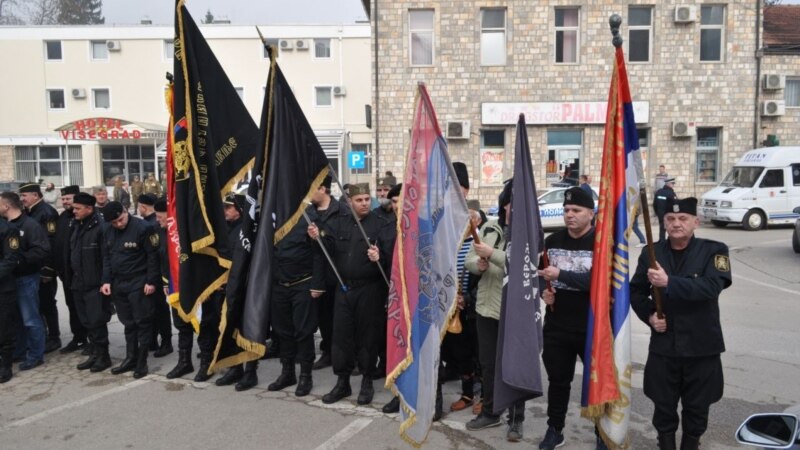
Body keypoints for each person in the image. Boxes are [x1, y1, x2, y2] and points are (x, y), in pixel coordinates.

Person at [630, 197, 732, 450]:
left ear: (696, 222)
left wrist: (670, 283)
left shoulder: (714, 250)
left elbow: (712, 287)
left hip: (701, 346)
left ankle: (691, 444)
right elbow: (635, 291)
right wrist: (651, 317)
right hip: (665, 346)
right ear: (664, 222)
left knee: (697, 407)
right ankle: (665, 444)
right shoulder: (651, 253)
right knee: (663, 405)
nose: (676, 223)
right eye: (671, 219)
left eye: (683, 218)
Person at [307, 183, 396, 406]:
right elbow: (328, 249)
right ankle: (342, 382)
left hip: (370, 289)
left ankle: (367, 381)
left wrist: (380, 259)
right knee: (341, 336)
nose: (365, 203)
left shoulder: (381, 225)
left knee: (368, 336)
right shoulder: (340, 222)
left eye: (367, 199)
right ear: (350, 202)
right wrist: (317, 237)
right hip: (344, 288)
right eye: (359, 200)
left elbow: (390, 261)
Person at [536, 187, 607, 450]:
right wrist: (546, 292)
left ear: (591, 213)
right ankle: (555, 430)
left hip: (592, 327)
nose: (569, 215)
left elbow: (601, 282)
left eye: (576, 210)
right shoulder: (553, 240)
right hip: (558, 325)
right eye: (566, 210)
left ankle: (603, 433)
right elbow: (543, 273)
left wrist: (561, 276)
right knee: (558, 381)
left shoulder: (602, 242)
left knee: (596, 384)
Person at [464, 180, 525, 442]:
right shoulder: (490, 227)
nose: (513, 208)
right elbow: (469, 260)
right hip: (486, 309)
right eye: (510, 203)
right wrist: (480, 263)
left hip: (515, 311)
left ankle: (516, 419)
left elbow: (526, 265)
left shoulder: (528, 230)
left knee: (515, 367)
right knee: (489, 365)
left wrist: (493, 255)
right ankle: (490, 411)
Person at [267, 201, 325, 397]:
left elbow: (319, 252)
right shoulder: (271, 213)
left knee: (303, 331)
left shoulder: (308, 214)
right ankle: (288, 372)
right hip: (278, 284)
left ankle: (305, 376)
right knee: (283, 332)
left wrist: (317, 284)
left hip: (303, 283)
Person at [101, 202, 160, 379]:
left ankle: (142, 362)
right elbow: (107, 257)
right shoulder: (108, 230)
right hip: (119, 283)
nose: (119, 224)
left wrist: (151, 281)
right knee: (128, 323)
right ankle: (131, 357)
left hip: (139, 281)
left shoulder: (144, 228)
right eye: (114, 223)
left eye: (120, 220)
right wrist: (106, 280)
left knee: (142, 321)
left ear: (126, 211)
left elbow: (153, 257)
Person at [0, 192, 49, 371]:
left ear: (6, 206)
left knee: (30, 318)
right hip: (10, 280)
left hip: (26, 277)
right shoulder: (6, 226)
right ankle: (19, 351)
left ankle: (36, 355)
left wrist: (20, 259)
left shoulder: (29, 225)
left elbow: (42, 250)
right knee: (16, 319)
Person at [69, 192, 113, 372]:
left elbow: (106, 258)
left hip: (95, 284)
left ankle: (103, 357)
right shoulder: (77, 224)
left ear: (89, 208)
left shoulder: (100, 226)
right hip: (79, 282)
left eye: (77, 208)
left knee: (96, 321)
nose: (74, 211)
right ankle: (94, 353)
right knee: (86, 321)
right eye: (74, 208)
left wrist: (105, 281)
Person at [19, 182, 61, 353]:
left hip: (44, 267)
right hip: (33, 266)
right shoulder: (28, 212)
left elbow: (51, 242)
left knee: (47, 303)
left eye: (24, 196)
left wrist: (48, 269)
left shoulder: (47, 212)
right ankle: (41, 335)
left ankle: (54, 337)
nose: (22, 199)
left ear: (35, 195)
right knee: (37, 304)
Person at [309, 175, 346, 371]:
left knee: (342, 318)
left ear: (323, 189)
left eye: (312, 188)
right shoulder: (308, 212)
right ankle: (328, 352)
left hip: (339, 273)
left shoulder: (342, 210)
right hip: (317, 274)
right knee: (323, 317)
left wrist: (321, 236)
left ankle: (347, 354)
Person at [54, 185, 88, 354]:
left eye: (68, 198)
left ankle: (91, 340)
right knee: (72, 307)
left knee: (86, 309)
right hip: (66, 274)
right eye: (64, 199)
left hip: (83, 274)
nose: (65, 202)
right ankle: (78, 337)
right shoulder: (61, 218)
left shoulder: (83, 219)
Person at [0, 216, 21, 383]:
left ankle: (5, 365)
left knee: (4, 328)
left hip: (3, 288)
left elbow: (10, 259)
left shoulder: (8, 229)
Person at [654, 178, 677, 242]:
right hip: (669, 215)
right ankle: (672, 241)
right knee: (672, 228)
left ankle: (662, 241)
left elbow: (654, 204)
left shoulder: (658, 192)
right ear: (668, 184)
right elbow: (675, 205)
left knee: (662, 228)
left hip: (660, 214)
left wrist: (657, 213)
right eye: (672, 184)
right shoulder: (671, 193)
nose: (673, 185)